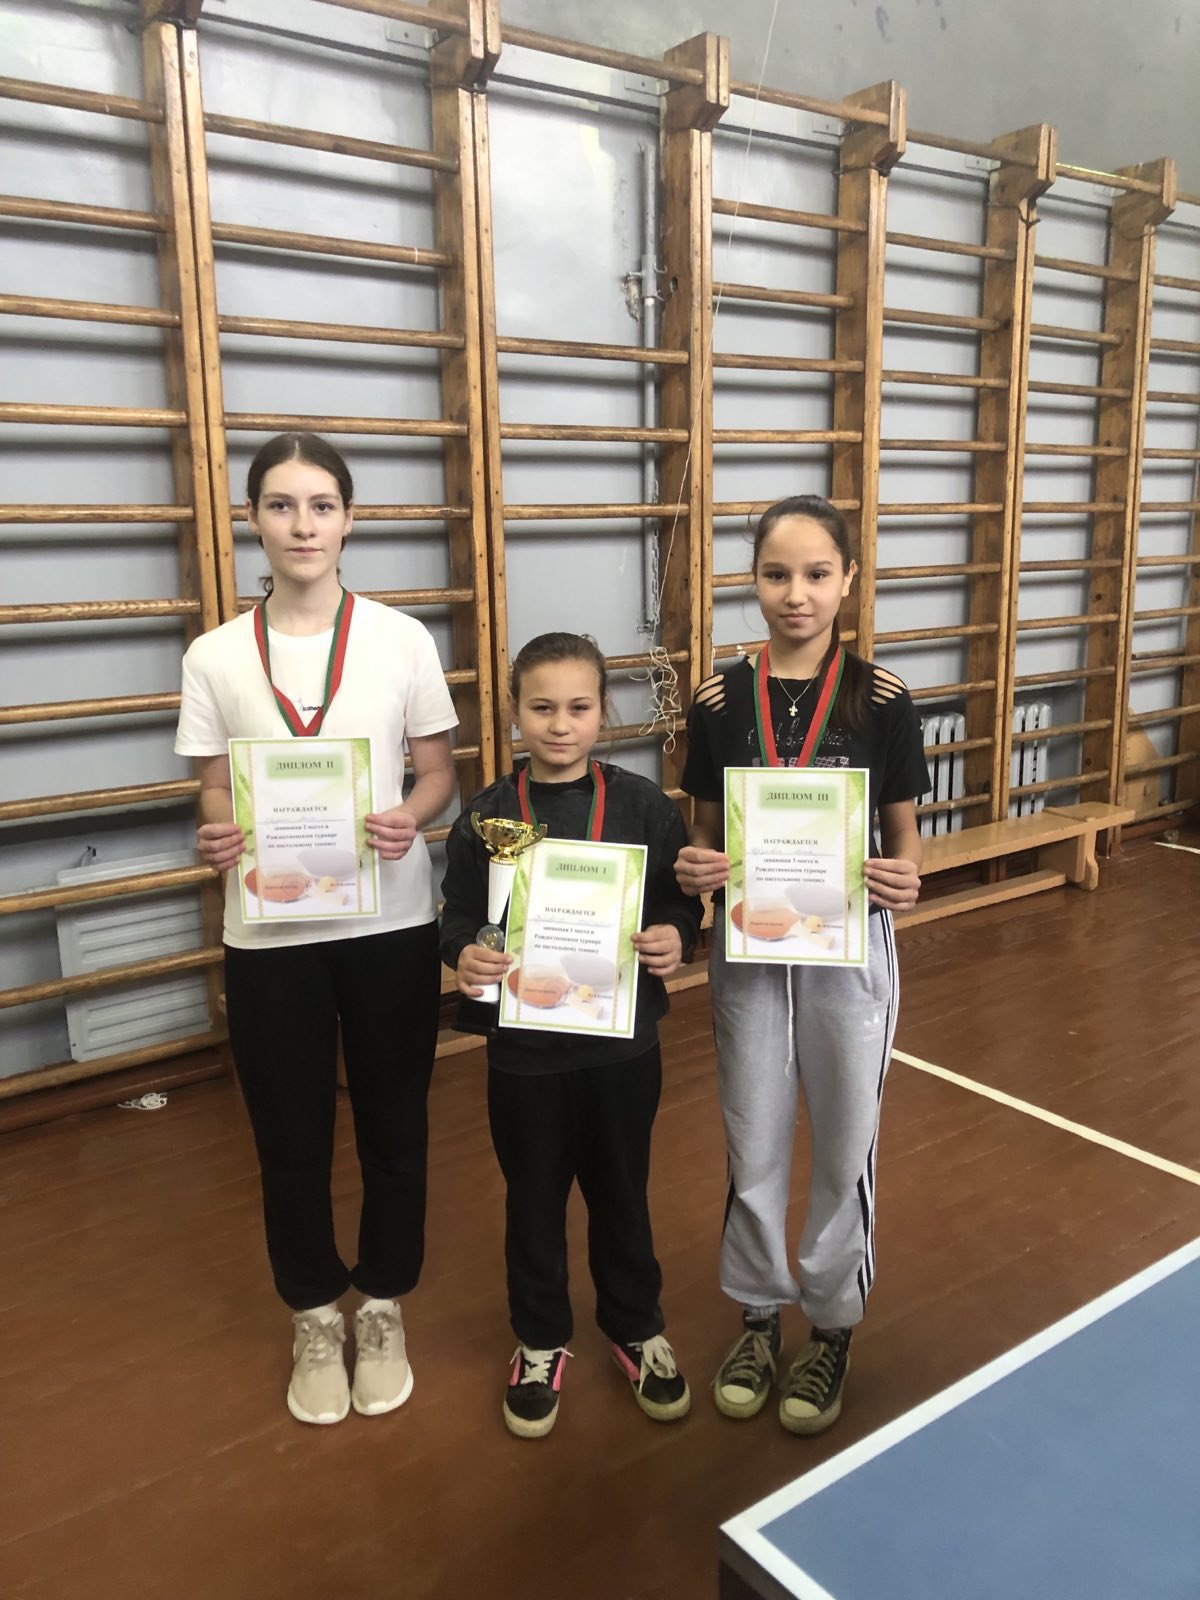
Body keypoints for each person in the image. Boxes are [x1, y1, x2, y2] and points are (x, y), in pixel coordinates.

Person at [175, 432, 457, 1426]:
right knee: (289, 1138)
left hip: (390, 922)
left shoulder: (400, 638)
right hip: (269, 933)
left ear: (349, 519)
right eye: (283, 505)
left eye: (322, 505)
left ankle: (380, 1303)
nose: (304, 525)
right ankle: (310, 1312)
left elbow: (437, 773)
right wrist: (217, 830)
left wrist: (409, 816)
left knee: (394, 1124)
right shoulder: (215, 654)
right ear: (253, 518)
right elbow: (216, 786)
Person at [676, 495, 930, 1436]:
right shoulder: (718, 699)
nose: (797, 593)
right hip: (748, 950)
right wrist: (696, 868)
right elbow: (704, 834)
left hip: (847, 949)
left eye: (818, 574)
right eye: (777, 574)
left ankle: (830, 1325)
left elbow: (904, 841)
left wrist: (905, 877)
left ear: (848, 580)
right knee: (753, 1137)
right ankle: (757, 1313)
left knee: (845, 1142)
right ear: (752, 579)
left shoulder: (883, 698)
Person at [440, 632, 702, 1439]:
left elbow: (681, 903)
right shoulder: (486, 814)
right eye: (542, 707)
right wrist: (465, 953)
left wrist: (675, 936)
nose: (560, 725)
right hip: (523, 1055)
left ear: (603, 712)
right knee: (532, 1199)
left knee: (623, 1192)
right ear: (514, 713)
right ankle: (540, 1339)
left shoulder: (643, 806)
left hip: (622, 1048)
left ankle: (635, 1326)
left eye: (579, 707)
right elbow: (459, 913)